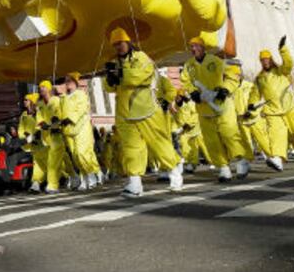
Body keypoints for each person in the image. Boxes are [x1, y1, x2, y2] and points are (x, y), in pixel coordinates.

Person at [104, 28, 183, 197]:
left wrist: (120, 74)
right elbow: (109, 87)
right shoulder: (114, 63)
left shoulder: (142, 58)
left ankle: (174, 170)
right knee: (131, 148)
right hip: (124, 112)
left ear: (128, 42)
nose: (118, 47)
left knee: (158, 143)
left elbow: (139, 77)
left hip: (145, 109)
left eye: (121, 43)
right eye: (115, 44)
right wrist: (110, 78)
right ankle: (135, 184)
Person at [181, 36, 250, 182]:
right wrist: (193, 92)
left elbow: (232, 75)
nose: (194, 49)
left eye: (196, 46)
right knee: (212, 141)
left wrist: (225, 89)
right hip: (204, 109)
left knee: (229, 135)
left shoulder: (215, 61)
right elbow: (185, 82)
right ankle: (223, 168)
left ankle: (240, 161)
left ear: (203, 47)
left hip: (222, 106)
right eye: (191, 47)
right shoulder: (188, 66)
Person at [252, 39, 294, 169]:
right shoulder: (259, 78)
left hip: (290, 107)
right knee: (276, 134)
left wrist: (283, 49)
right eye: (262, 60)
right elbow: (255, 94)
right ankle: (277, 159)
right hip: (273, 111)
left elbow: (288, 63)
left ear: (271, 60)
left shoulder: (281, 71)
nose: (265, 62)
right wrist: (251, 105)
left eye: (267, 59)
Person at [59, 72, 102, 190]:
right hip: (68, 129)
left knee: (81, 153)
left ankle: (92, 175)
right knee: (75, 155)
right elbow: (60, 112)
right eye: (66, 80)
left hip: (81, 126)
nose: (67, 83)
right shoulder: (63, 98)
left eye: (70, 80)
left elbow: (81, 109)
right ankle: (85, 178)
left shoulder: (80, 94)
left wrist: (70, 118)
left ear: (76, 82)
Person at [232, 63, 271, 160]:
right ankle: (247, 161)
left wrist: (252, 112)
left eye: (235, 75)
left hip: (254, 118)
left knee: (263, 140)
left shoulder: (250, 86)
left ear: (239, 75)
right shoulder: (232, 90)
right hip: (241, 120)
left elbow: (258, 100)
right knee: (246, 142)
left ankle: (273, 158)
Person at [36, 80, 65, 193]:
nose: (41, 89)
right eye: (40, 87)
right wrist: (41, 124)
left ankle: (52, 185)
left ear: (49, 88)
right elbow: (39, 118)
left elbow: (59, 113)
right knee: (62, 161)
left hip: (57, 135)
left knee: (52, 162)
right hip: (46, 138)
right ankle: (72, 176)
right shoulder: (40, 104)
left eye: (43, 87)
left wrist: (56, 121)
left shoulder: (56, 100)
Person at [173, 94, 202, 173]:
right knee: (184, 146)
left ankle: (193, 163)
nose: (177, 98)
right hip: (183, 131)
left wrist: (186, 125)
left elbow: (195, 115)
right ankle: (188, 163)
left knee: (193, 147)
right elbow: (175, 118)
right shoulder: (175, 106)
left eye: (178, 97)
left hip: (193, 129)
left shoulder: (190, 104)